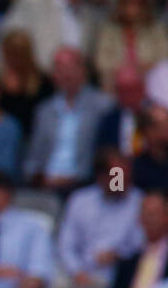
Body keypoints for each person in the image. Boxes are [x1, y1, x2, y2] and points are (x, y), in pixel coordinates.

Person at [22, 46, 112, 194]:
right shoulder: (44, 110)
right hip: (45, 183)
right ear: (54, 75)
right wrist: (36, 177)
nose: (66, 74)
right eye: (60, 69)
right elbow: (34, 156)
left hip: (84, 184)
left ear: (83, 71)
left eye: (71, 68)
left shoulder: (103, 105)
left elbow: (107, 152)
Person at [56, 146, 142, 288]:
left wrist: (118, 254)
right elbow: (65, 244)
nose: (124, 183)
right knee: (47, 285)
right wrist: (76, 271)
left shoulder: (139, 202)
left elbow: (140, 244)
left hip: (114, 275)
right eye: (119, 178)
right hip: (74, 271)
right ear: (101, 176)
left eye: (127, 177)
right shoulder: (79, 200)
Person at [99, 188, 168, 288]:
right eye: (145, 214)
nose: (149, 219)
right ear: (139, 219)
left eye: (154, 214)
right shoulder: (128, 261)